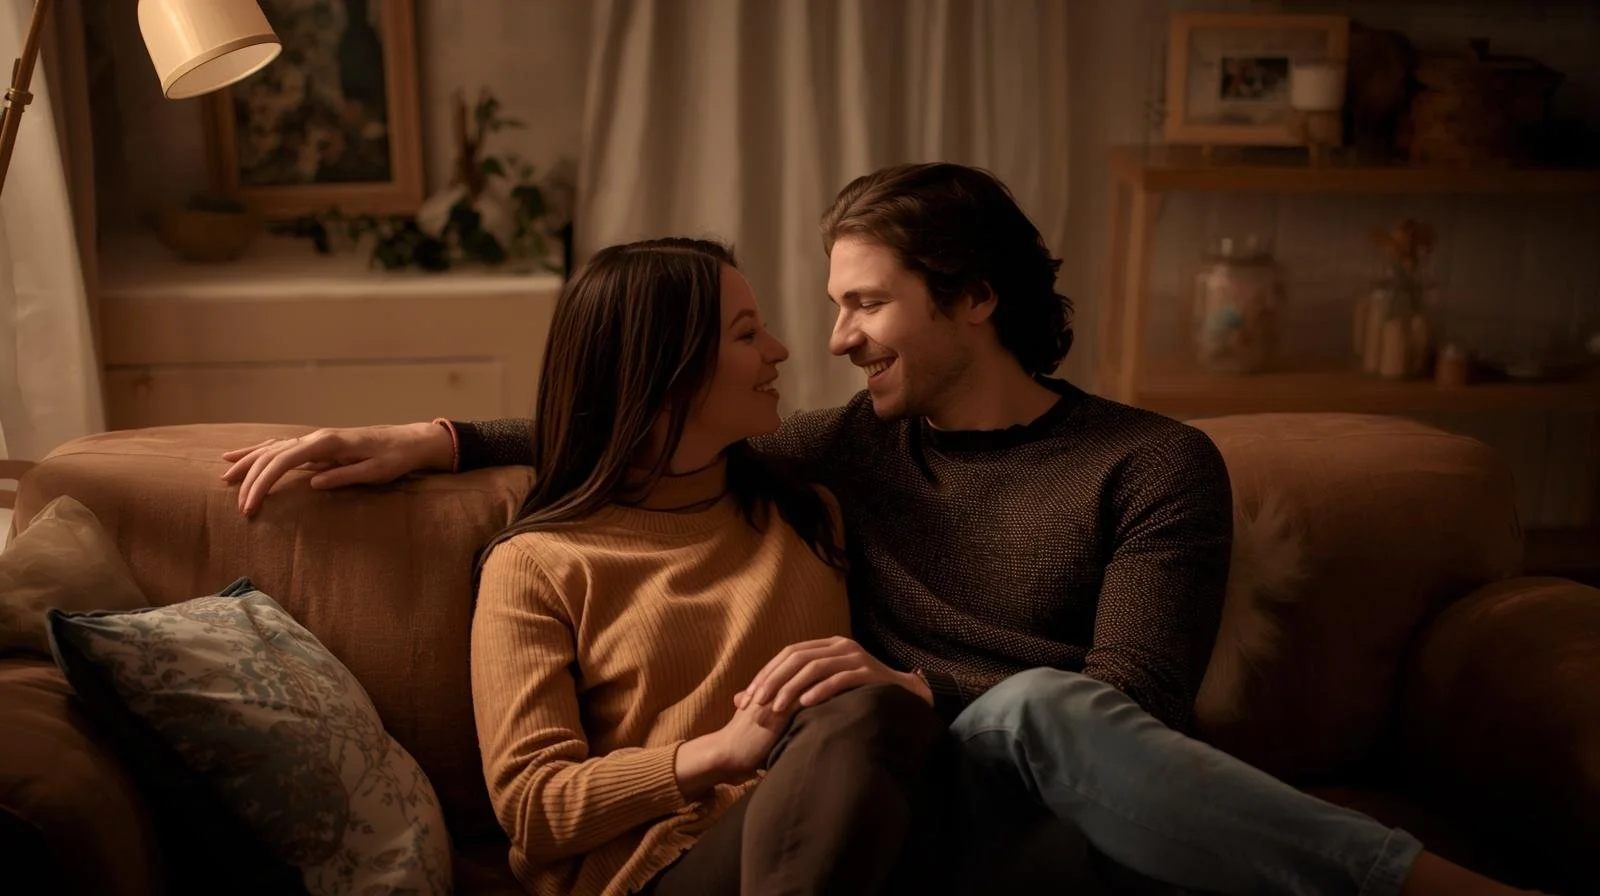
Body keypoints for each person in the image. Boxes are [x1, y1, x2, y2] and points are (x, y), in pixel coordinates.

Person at [222, 164, 1543, 896]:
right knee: (893, 733)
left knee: (1041, 718)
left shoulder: (1152, 464)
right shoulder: (839, 449)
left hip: (1031, 797)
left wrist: (908, 684)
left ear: (970, 300)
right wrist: (433, 439)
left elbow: (1132, 702)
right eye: (805, 316)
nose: (830, 339)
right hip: (867, 808)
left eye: (866, 303)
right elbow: (632, 421)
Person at [460, 236, 954, 896]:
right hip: (655, 871)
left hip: (836, 838)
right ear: (666, 369)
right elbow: (533, 807)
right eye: (747, 334)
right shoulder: (536, 566)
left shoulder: (809, 514)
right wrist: (723, 751)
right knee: (866, 715)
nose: (779, 351)